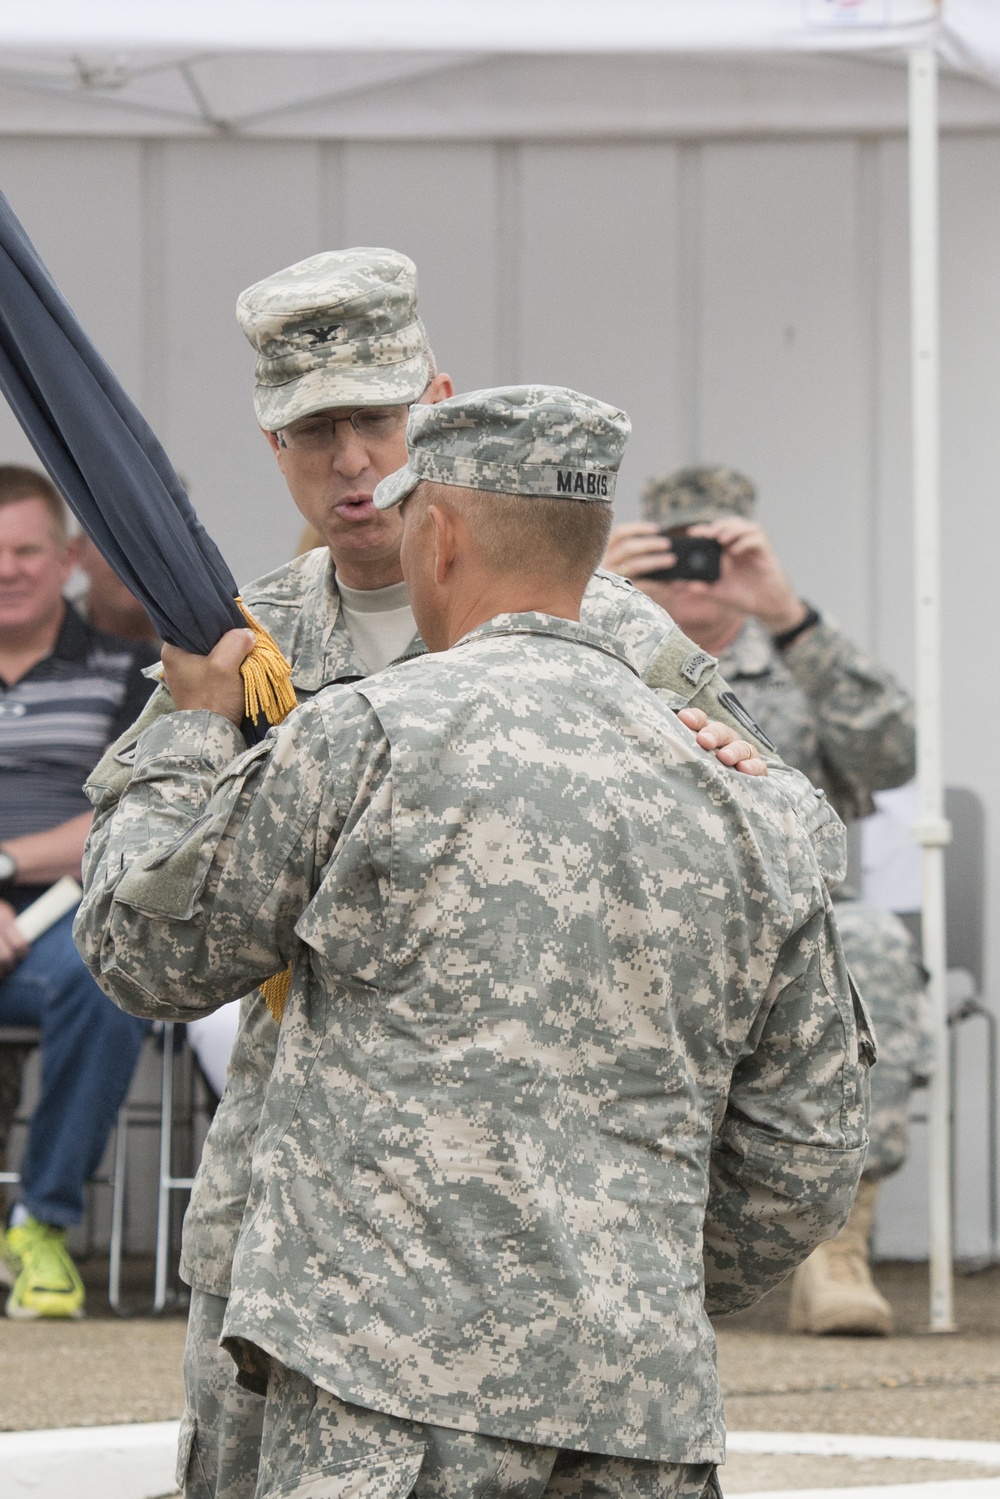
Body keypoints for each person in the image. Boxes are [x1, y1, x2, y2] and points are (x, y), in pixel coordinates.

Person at [76, 248, 842, 1499]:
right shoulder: (236, 635)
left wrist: (632, 1251)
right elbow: (161, 917)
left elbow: (775, 863)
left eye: (376, 421)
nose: (352, 463)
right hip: (294, 1223)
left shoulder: (620, 630)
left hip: (567, 1233)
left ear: (435, 403)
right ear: (271, 444)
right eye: (312, 432)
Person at [604, 465, 925, 1336]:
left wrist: (790, 615)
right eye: (675, 552)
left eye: (716, 549)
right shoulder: (601, 646)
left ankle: (838, 1245)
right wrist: (594, 594)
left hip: (793, 923)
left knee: (877, 943)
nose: (697, 571)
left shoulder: (792, 663)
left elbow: (893, 756)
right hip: (639, 916)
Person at [0, 464, 156, 1320]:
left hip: (63, 918)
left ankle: (41, 1224)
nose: (8, 568)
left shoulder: (126, 668)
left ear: (65, 557)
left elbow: (123, 814)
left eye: (26, 549)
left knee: (110, 975)